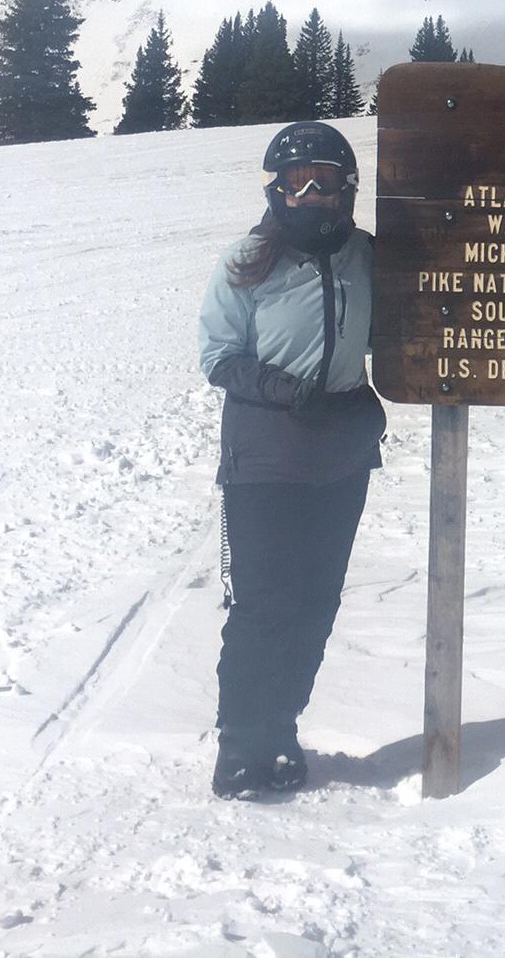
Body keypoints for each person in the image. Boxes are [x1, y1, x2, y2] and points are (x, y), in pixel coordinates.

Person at [198, 121, 385, 798]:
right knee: (264, 605)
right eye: (294, 181)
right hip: (267, 451)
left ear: (346, 188)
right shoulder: (248, 260)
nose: (308, 193)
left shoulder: (367, 258)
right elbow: (218, 354)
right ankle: (240, 748)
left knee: (316, 603)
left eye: (323, 181)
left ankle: (281, 732)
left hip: (341, 451)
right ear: (276, 190)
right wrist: (279, 386)